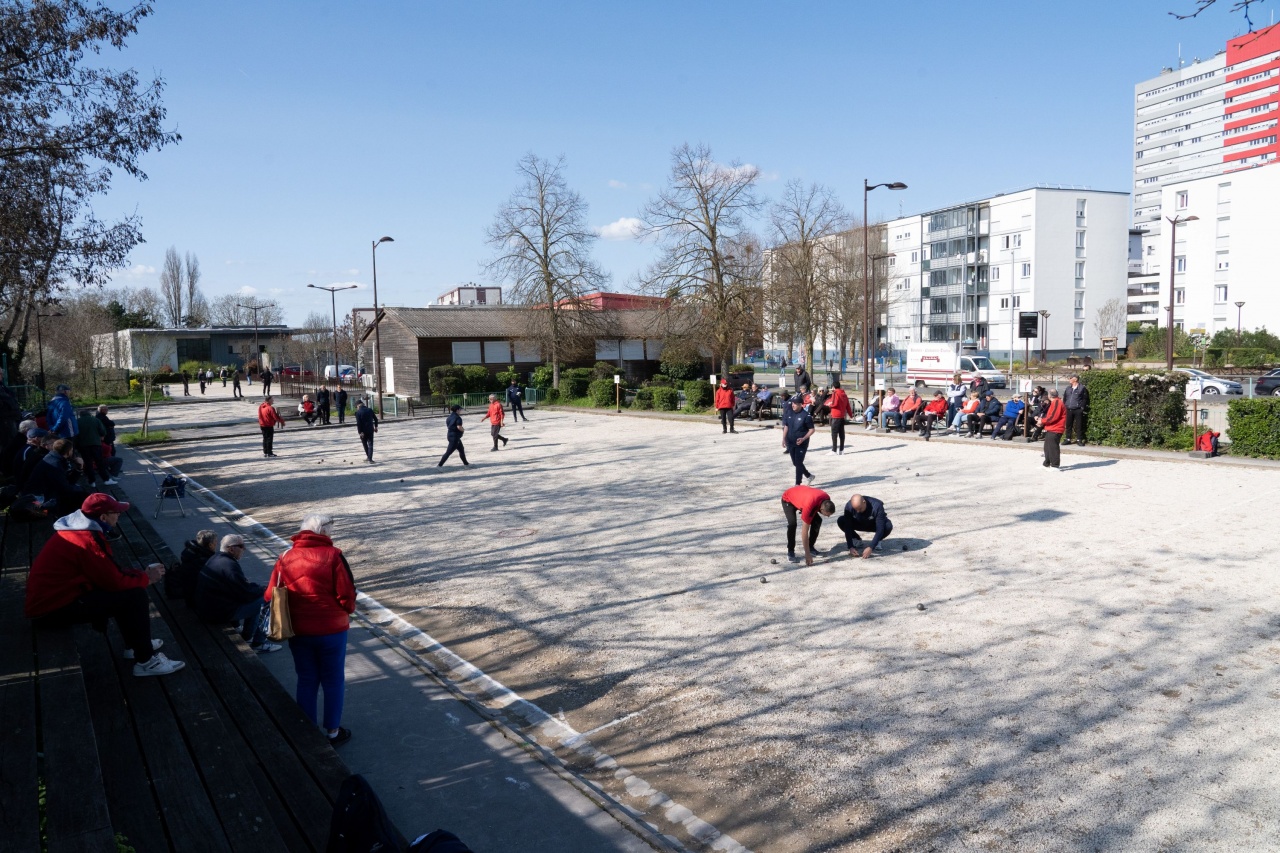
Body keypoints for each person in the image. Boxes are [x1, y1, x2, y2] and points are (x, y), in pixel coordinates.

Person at [25, 493, 185, 676]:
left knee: (128, 593)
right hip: (49, 611)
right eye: (116, 512)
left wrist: (141, 575)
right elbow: (113, 582)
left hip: (53, 600)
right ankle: (146, 662)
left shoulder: (79, 530)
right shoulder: (88, 540)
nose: (119, 515)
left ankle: (135, 645)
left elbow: (107, 572)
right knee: (135, 595)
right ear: (103, 517)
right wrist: (146, 579)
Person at [265, 513, 357, 745]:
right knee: (333, 680)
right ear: (324, 531)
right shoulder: (334, 556)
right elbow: (347, 595)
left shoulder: (285, 556)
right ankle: (333, 732)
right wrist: (348, 610)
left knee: (306, 679)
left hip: (298, 630)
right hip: (332, 630)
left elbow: (269, 594)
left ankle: (307, 731)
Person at [196, 534, 280, 653]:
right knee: (269, 599)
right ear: (231, 549)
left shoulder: (216, 559)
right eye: (241, 546)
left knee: (257, 597)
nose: (244, 549)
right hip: (217, 613)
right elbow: (245, 594)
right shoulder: (229, 566)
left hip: (208, 609)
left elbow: (240, 588)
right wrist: (263, 590)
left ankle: (248, 636)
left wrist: (257, 589)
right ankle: (258, 643)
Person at [24, 438, 86, 512]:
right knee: (81, 495)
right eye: (72, 450)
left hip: (45, 491)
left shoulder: (52, 457)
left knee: (79, 490)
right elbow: (65, 488)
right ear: (68, 451)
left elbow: (66, 482)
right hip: (41, 497)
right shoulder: (55, 464)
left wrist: (79, 469)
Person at [780, 484, 835, 565]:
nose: (828, 516)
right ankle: (790, 551)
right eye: (827, 514)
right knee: (792, 524)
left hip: (802, 498)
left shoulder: (827, 498)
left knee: (817, 521)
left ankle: (811, 547)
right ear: (822, 509)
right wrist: (807, 554)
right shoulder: (810, 505)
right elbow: (804, 532)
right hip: (788, 499)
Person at [837, 494, 894, 559]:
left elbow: (880, 528)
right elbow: (848, 527)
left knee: (888, 526)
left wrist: (871, 547)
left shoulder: (877, 506)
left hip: (873, 524)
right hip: (859, 523)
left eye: (860, 509)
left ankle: (877, 541)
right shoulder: (849, 506)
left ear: (864, 502)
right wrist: (850, 546)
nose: (858, 511)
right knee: (841, 520)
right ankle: (856, 539)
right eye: (856, 509)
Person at [171, 529, 217, 604]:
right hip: (198, 599)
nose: (217, 543)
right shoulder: (205, 561)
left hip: (188, 593)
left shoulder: (190, 551)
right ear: (210, 545)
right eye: (215, 542)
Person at [781, 397, 816, 487]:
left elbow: (812, 429)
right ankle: (809, 475)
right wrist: (784, 438)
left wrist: (804, 438)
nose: (793, 405)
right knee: (795, 463)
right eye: (792, 403)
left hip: (801, 443)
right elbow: (786, 426)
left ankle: (798, 483)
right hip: (791, 442)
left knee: (799, 462)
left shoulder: (806, 416)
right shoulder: (789, 413)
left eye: (795, 403)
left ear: (801, 404)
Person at [1037, 388, 1066, 470]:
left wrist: (1042, 421)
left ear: (1049, 395)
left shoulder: (1057, 402)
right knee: (1047, 447)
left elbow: (1053, 417)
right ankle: (1047, 463)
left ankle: (1055, 465)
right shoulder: (1054, 402)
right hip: (1051, 427)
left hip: (1056, 428)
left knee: (1053, 447)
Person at [1062, 374, 1090, 446]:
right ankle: (1068, 439)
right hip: (1069, 409)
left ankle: (1079, 439)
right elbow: (1065, 397)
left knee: (1079, 425)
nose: (1069, 379)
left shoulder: (1082, 388)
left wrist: (1082, 408)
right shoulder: (1068, 388)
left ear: (1075, 379)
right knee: (1068, 425)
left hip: (1077, 409)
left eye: (1070, 378)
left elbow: (1085, 399)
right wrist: (1065, 406)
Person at [826, 380, 851, 454]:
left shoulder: (835, 393)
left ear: (833, 387)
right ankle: (841, 449)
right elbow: (848, 405)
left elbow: (835, 403)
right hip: (842, 415)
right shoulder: (844, 394)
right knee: (841, 433)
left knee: (834, 433)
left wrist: (829, 405)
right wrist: (851, 415)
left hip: (836, 415)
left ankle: (834, 450)